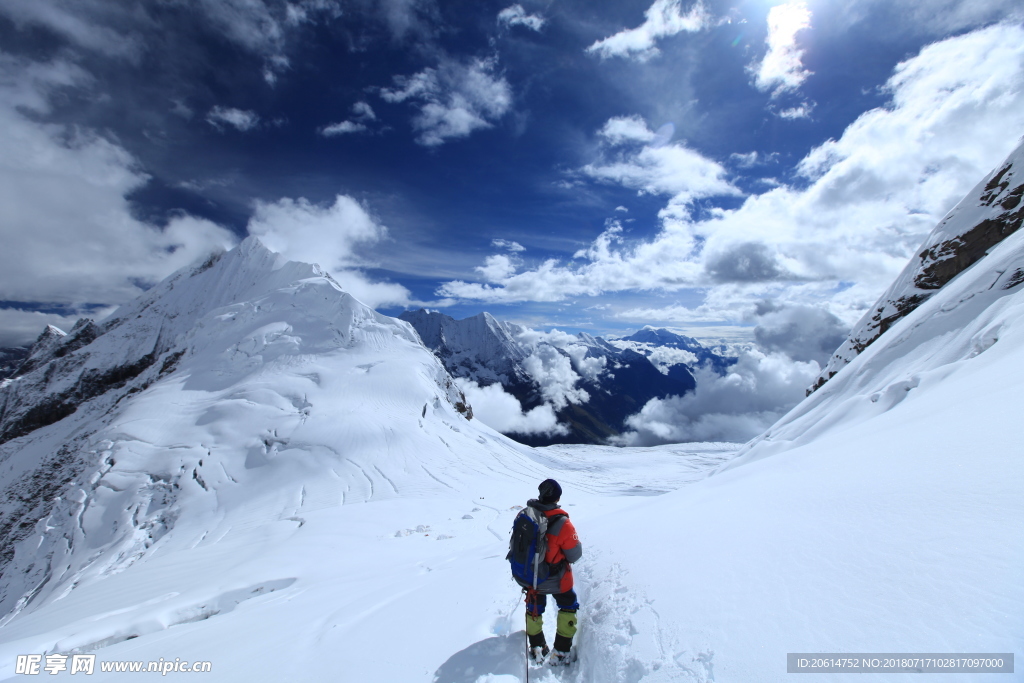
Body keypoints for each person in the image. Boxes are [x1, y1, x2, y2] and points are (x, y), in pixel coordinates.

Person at [523, 478, 582, 665]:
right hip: (556, 578)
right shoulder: (562, 523)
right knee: (568, 605)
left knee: (534, 606)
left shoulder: (527, 514)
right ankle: (562, 650)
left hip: (531, 577)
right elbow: (574, 555)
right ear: (557, 497)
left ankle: (537, 646)